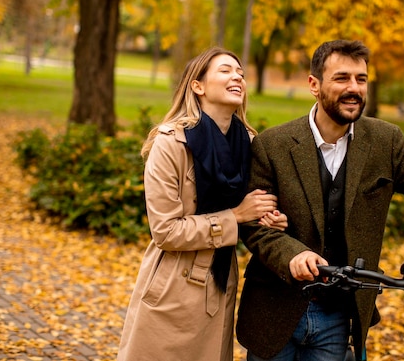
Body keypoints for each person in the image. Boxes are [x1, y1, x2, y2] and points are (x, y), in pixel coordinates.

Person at [236, 39, 404, 361]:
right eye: (341, 78)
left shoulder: (385, 140)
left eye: (361, 79)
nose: (354, 88)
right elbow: (255, 225)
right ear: (314, 84)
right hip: (275, 306)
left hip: (340, 313)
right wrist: (293, 254)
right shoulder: (274, 144)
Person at [117, 47, 287, 361]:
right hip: (172, 284)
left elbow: (249, 211)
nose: (237, 76)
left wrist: (265, 219)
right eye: (225, 70)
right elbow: (165, 231)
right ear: (198, 86)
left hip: (219, 284)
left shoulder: (251, 145)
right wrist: (236, 216)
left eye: (240, 72)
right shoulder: (171, 144)